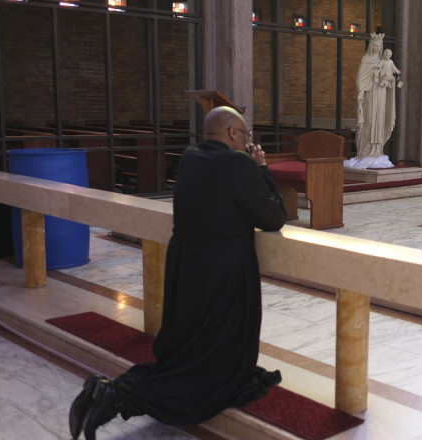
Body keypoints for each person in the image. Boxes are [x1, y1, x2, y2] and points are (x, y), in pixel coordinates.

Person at [68, 106, 287, 440]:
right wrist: (261, 168)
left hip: (185, 268)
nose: (246, 142)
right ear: (232, 133)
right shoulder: (237, 163)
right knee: (211, 370)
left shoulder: (190, 157)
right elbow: (273, 217)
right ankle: (119, 396)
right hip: (222, 274)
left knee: (189, 350)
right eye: (245, 135)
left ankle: (113, 392)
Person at [347, 33, 399, 169]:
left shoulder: (385, 61)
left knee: (380, 121)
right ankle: (365, 150)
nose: (377, 48)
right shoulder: (366, 60)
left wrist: (390, 80)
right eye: (375, 45)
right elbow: (360, 80)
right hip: (370, 95)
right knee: (369, 120)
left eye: (379, 46)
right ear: (371, 46)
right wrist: (368, 83)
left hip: (381, 94)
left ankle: (377, 151)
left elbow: (390, 75)